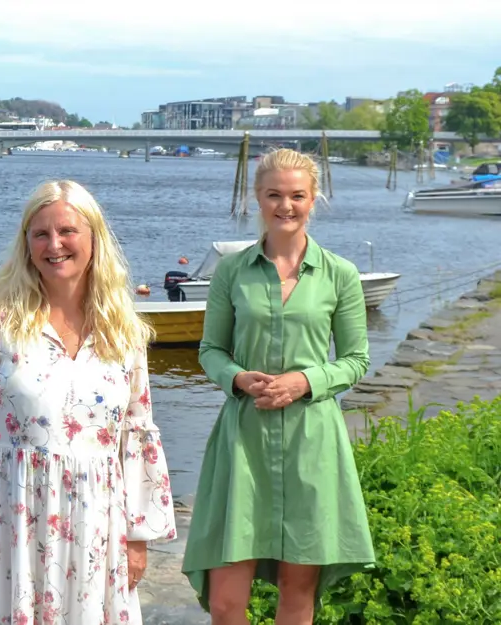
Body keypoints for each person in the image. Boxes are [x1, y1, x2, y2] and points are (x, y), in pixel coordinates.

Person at [0, 180, 177, 624]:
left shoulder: (124, 331)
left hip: (98, 523)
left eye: (67, 231)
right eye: (40, 234)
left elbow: (137, 432)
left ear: (94, 238)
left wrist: (139, 537)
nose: (54, 245)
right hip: (9, 521)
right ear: (26, 245)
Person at [181, 149, 376, 624]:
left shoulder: (340, 274)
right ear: (258, 199)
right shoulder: (231, 271)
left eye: (297, 196)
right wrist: (238, 378)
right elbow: (211, 351)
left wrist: (305, 380)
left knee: (297, 593)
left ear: (314, 199)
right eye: (274, 195)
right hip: (242, 442)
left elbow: (356, 360)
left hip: (311, 443)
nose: (285, 206)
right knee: (227, 604)